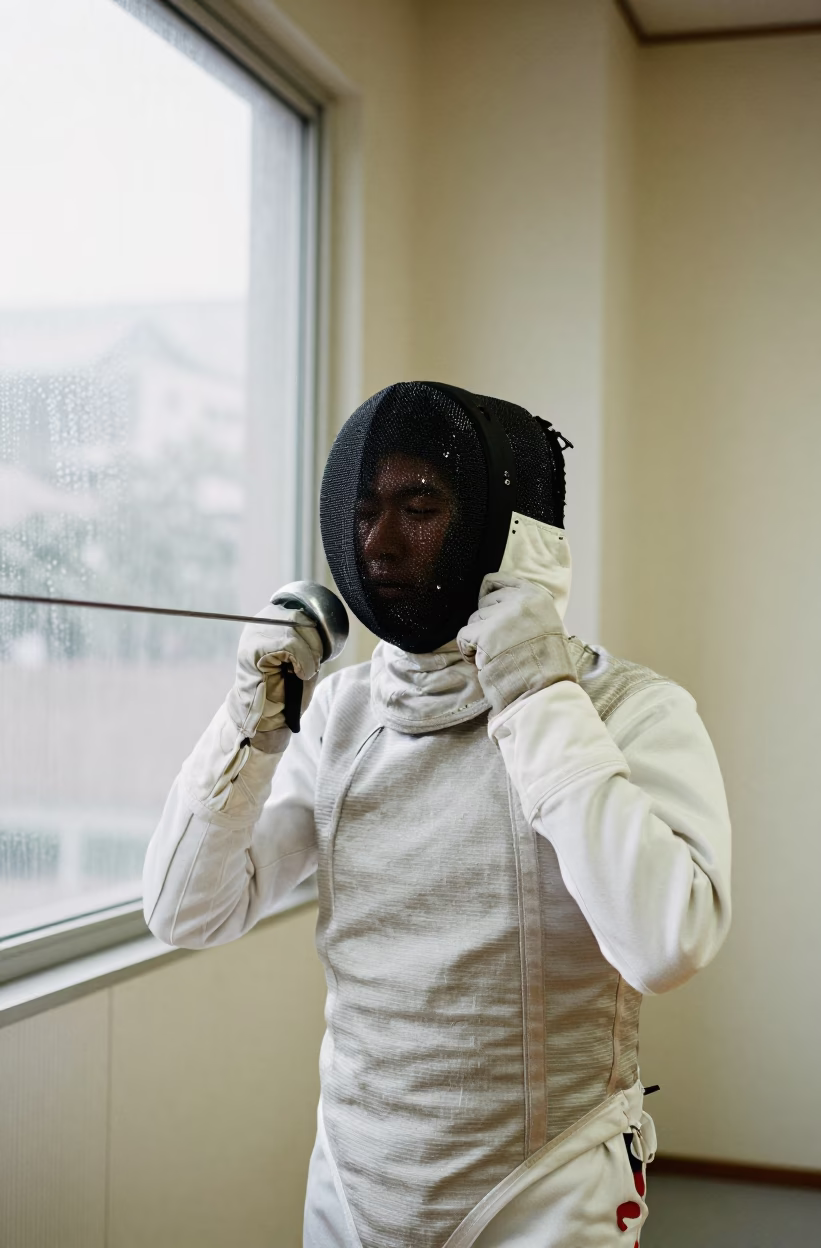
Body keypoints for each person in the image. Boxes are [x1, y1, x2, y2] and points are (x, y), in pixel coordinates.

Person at [143, 381, 732, 1247]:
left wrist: (538, 696)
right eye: (365, 512)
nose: (378, 544)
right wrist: (248, 726)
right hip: (351, 1183)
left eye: (419, 508)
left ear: (506, 531)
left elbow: (666, 943)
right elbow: (185, 911)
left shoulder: (627, 710)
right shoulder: (339, 717)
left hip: (544, 1190)